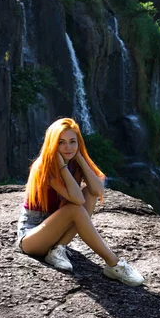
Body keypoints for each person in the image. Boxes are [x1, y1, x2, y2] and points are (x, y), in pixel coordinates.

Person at [16, 117, 144, 286]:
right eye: (61, 142)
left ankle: (58, 249)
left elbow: (97, 191)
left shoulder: (74, 162)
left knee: (89, 193)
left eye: (72, 142)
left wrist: (81, 158)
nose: (67, 147)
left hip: (56, 233)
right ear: (52, 144)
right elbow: (77, 200)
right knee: (75, 209)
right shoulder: (45, 167)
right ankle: (114, 264)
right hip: (33, 237)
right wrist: (62, 167)